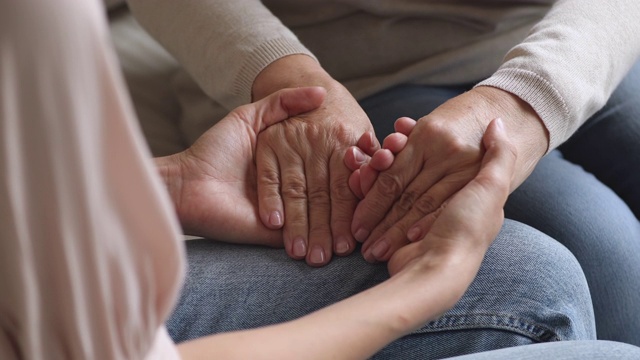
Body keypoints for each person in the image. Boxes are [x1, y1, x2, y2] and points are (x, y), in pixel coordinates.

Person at [5, 1, 640, 359]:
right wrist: (425, 286)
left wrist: (166, 185)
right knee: (600, 262)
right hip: (353, 82)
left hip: (544, 43)